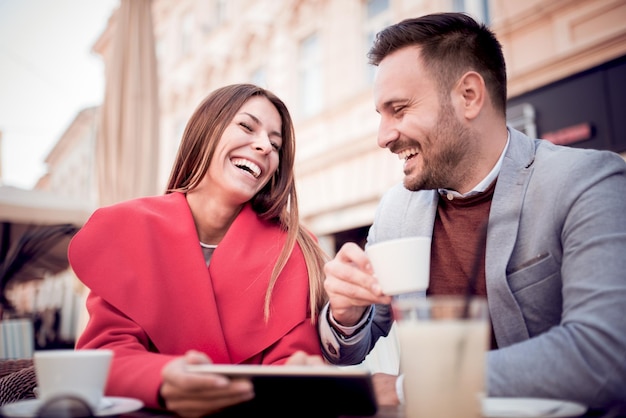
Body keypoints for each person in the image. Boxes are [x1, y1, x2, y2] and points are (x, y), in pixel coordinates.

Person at [318, 12, 626, 411]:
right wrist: (344, 313)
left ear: (469, 96)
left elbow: (604, 354)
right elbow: (351, 348)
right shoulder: (396, 209)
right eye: (381, 115)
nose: (383, 137)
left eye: (399, 109)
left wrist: (410, 388)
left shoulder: (586, 182)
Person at [69, 83, 329, 417]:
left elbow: (293, 361)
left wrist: (300, 373)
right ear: (205, 131)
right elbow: (106, 353)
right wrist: (161, 379)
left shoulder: (293, 252)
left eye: (275, 144)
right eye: (247, 127)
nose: (264, 146)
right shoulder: (130, 229)